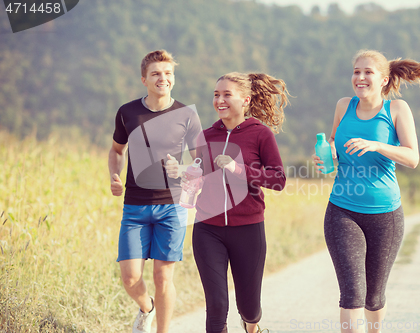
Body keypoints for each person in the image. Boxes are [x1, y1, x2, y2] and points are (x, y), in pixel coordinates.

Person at [313, 50, 420, 333]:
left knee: (374, 298)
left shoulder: (396, 110)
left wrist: (377, 145)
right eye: (356, 71)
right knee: (352, 294)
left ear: (383, 79)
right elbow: (333, 141)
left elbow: (412, 157)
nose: (360, 77)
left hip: (386, 216)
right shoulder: (343, 106)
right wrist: (328, 154)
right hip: (342, 211)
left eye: (368, 72)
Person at [188, 72, 290, 333]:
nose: (219, 100)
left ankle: (252, 326)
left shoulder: (260, 134)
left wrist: (237, 168)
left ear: (245, 100)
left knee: (249, 308)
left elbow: (278, 180)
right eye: (216, 95)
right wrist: (188, 179)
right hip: (207, 228)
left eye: (226, 94)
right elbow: (199, 174)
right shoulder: (206, 136)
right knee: (217, 304)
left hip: (248, 229)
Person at [108, 49, 202, 333]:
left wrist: (183, 170)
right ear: (144, 79)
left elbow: (201, 164)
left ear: (174, 78)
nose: (163, 78)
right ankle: (146, 307)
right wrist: (114, 174)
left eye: (168, 73)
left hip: (172, 206)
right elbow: (116, 151)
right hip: (135, 206)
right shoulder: (127, 112)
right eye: (156, 74)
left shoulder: (187, 115)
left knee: (163, 276)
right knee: (130, 277)